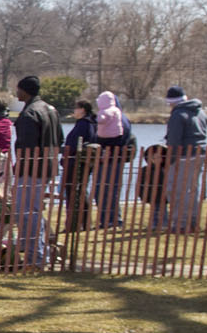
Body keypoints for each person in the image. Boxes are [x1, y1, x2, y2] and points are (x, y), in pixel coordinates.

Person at [11, 76, 62, 267]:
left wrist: (20, 166)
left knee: (27, 213)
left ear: (25, 91)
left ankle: (35, 258)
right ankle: (37, 252)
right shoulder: (51, 110)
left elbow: (26, 145)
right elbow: (60, 139)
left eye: (19, 90)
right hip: (48, 167)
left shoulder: (30, 114)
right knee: (33, 211)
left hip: (31, 169)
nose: (17, 93)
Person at [161, 84, 207, 231]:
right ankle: (192, 221)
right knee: (192, 189)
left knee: (176, 189)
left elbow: (174, 139)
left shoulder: (178, 114)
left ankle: (181, 223)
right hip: (199, 153)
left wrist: (171, 158)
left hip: (183, 156)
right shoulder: (200, 112)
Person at [92, 91, 135, 228]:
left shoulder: (120, 119)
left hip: (112, 158)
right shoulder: (113, 117)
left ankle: (113, 220)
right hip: (107, 157)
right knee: (103, 189)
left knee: (108, 189)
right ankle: (107, 219)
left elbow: (125, 137)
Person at [61, 98, 97, 232]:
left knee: (74, 192)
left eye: (76, 108)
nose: (74, 111)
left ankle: (74, 224)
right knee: (80, 191)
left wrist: (67, 154)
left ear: (82, 109)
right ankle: (83, 223)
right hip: (79, 162)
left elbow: (77, 144)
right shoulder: (89, 123)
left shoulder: (84, 124)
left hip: (77, 163)